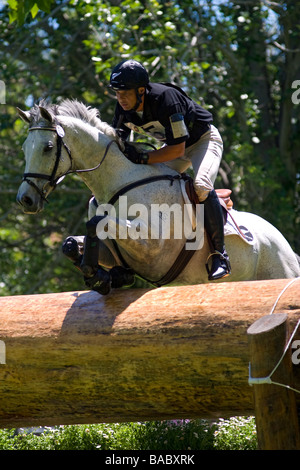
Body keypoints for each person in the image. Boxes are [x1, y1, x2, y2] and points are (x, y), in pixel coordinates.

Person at [108, 59, 231, 281]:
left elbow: (177, 149)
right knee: (147, 184)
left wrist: (144, 157)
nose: (121, 99)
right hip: (174, 148)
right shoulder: (123, 108)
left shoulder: (166, 99)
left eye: (125, 93)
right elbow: (115, 143)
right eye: (117, 93)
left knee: (201, 186)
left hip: (203, 141)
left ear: (141, 90)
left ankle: (219, 255)